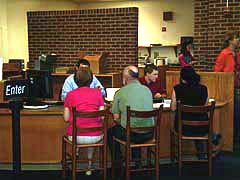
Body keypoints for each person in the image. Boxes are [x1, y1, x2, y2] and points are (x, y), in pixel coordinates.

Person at [108, 65, 154, 167]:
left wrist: (122, 120)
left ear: (125, 78)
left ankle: (117, 162)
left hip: (131, 135)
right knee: (134, 126)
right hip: (149, 133)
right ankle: (137, 161)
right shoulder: (147, 90)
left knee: (112, 131)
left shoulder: (120, 92)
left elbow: (115, 118)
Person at [63, 67, 104, 175]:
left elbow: (66, 119)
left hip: (75, 136)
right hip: (95, 136)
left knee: (78, 133)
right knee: (91, 134)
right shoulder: (98, 94)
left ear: (75, 80)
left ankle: (75, 164)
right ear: (91, 80)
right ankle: (89, 166)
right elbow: (102, 117)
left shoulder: (70, 95)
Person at [171, 66, 209, 159]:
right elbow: (206, 106)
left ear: (182, 78)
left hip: (183, 128)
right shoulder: (204, 88)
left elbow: (173, 108)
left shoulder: (177, 88)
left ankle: (177, 157)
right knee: (198, 123)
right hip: (202, 127)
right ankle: (201, 154)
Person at [214, 31, 240, 145]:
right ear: (230, 41)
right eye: (236, 38)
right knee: (234, 113)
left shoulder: (237, 54)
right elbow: (217, 72)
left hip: (236, 87)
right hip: (227, 89)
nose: (238, 40)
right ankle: (232, 139)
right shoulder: (224, 54)